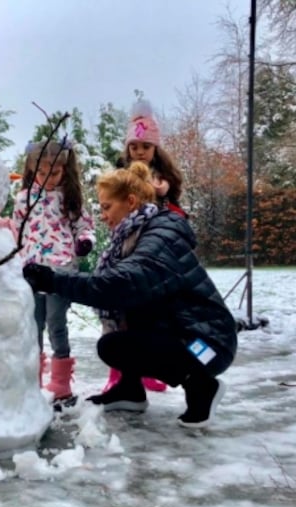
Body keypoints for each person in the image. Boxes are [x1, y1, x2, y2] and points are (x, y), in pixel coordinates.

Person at [22, 161, 237, 428]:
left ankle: (202, 385)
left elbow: (121, 284)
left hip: (208, 344)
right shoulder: (130, 237)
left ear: (131, 202)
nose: (102, 215)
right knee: (118, 338)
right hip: (181, 330)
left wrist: (52, 280)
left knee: (118, 338)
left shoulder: (160, 237)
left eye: (106, 206)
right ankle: (130, 390)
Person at [102, 99, 187, 395]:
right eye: (134, 146)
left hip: (154, 253)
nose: (139, 151)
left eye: (146, 146)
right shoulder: (120, 178)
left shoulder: (163, 180)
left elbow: (173, 208)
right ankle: (118, 374)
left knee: (150, 315)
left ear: (155, 149)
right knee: (119, 312)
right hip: (125, 249)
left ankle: (149, 368)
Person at [13, 139, 95, 404]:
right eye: (41, 172)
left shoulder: (70, 197)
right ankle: (31, 378)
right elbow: (16, 230)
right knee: (32, 325)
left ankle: (60, 382)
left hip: (60, 271)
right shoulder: (23, 198)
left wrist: (84, 242)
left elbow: (84, 226)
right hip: (30, 271)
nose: (48, 178)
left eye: (55, 172)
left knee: (56, 323)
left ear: (64, 169)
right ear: (31, 170)